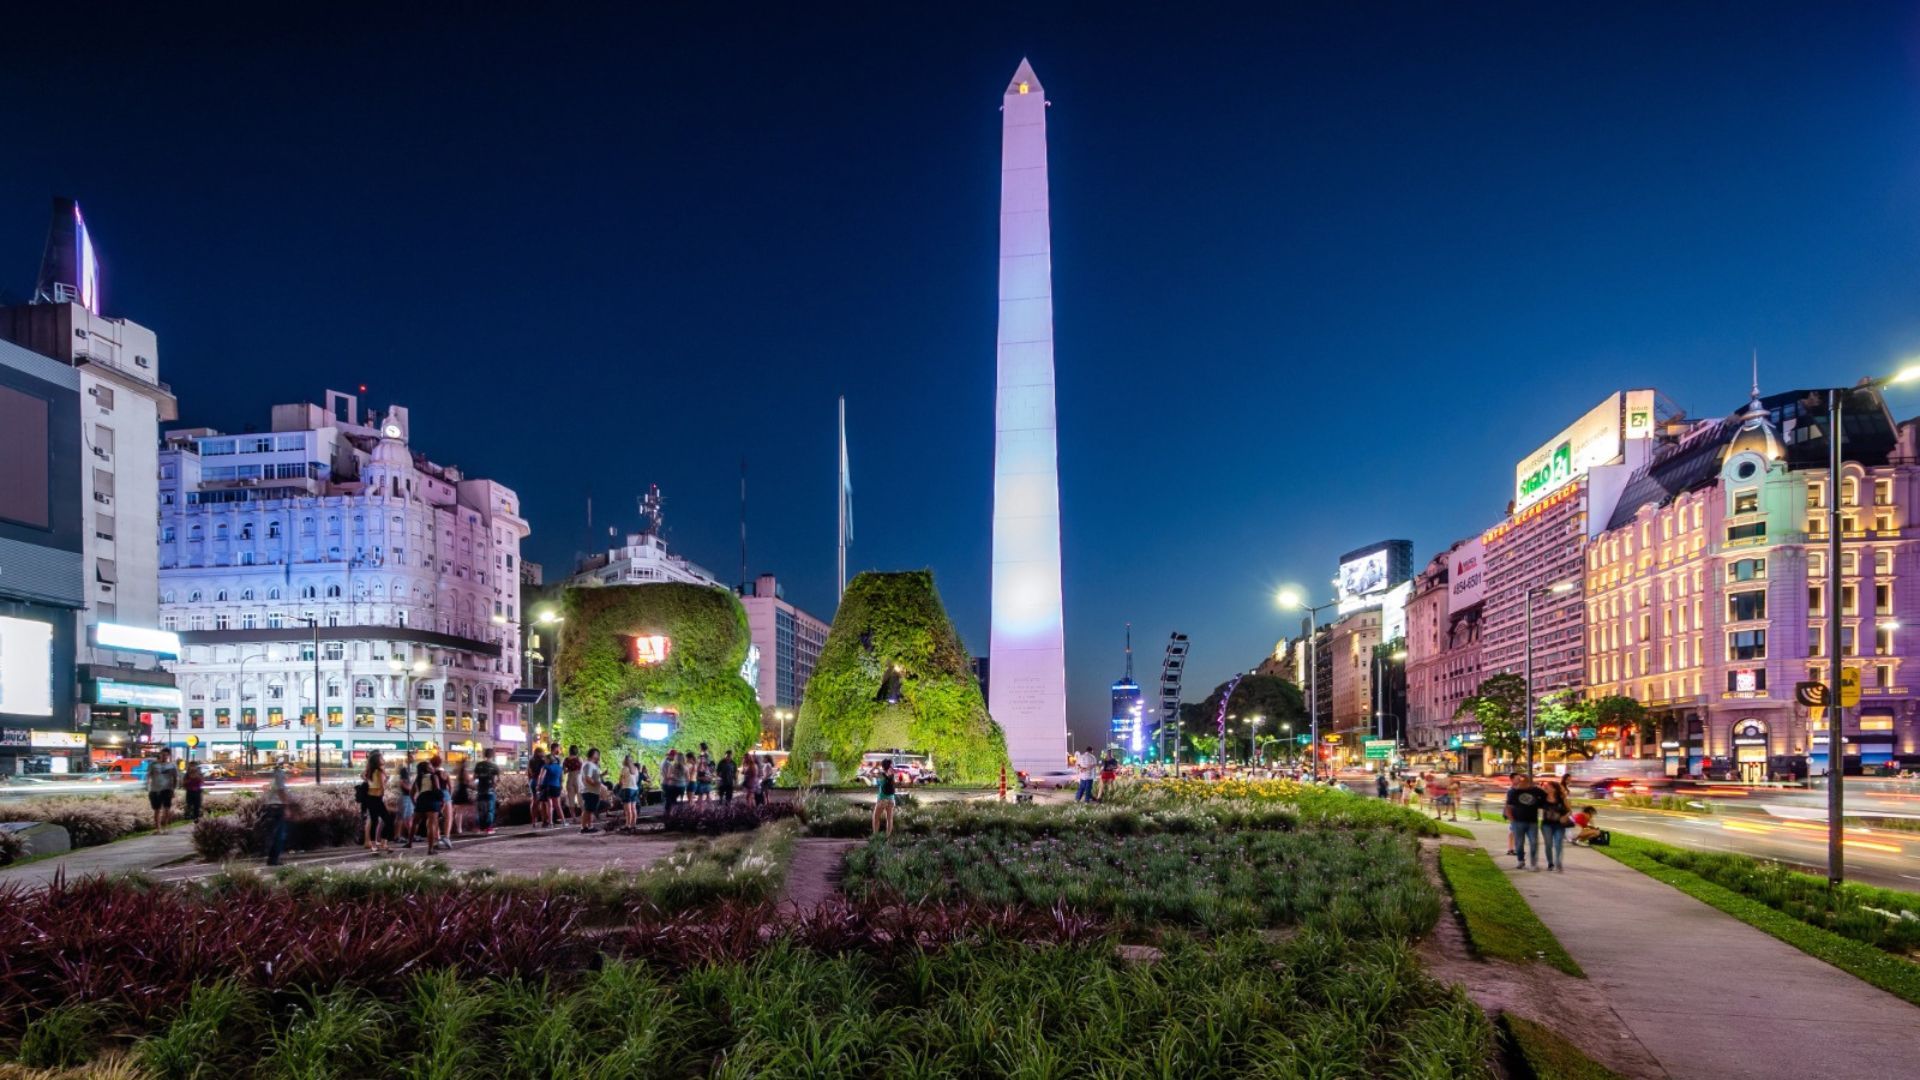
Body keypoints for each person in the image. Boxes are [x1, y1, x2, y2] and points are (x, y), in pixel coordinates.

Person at [1505, 772, 1545, 870]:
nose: (1520, 782)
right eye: (1518, 780)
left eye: (1522, 780)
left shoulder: (1535, 790)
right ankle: (1520, 860)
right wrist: (1512, 820)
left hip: (1532, 822)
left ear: (1528, 781)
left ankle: (1533, 863)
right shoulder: (1513, 792)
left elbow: (1546, 797)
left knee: (1534, 843)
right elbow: (1508, 807)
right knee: (1519, 843)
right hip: (1518, 822)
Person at [362, 751, 393, 853]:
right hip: (378, 798)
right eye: (381, 758)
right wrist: (384, 798)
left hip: (370, 798)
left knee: (375, 821)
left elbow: (364, 777)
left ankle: (374, 845)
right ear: (377, 761)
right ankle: (384, 843)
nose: (383, 759)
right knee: (388, 821)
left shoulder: (370, 771)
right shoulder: (379, 771)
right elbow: (381, 787)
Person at [261, 756, 290, 867]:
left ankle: (271, 858)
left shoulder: (272, 777)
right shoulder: (280, 775)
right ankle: (274, 859)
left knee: (273, 833)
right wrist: (287, 807)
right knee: (280, 834)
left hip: (270, 806)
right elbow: (281, 791)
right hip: (278, 807)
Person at [1539, 778, 1572, 871]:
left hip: (1559, 825)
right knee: (1548, 844)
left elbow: (1570, 811)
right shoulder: (1543, 798)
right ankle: (1550, 863)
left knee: (1558, 844)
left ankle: (1558, 863)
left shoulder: (1561, 799)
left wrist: (1565, 816)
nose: (1546, 787)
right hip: (1546, 825)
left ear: (1554, 789)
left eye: (1548, 786)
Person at [415, 759, 445, 854]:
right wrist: (441, 799)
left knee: (416, 822)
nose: (432, 767)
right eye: (430, 766)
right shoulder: (433, 776)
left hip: (421, 799)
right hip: (431, 800)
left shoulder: (419, 778)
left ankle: (410, 841)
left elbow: (415, 791)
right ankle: (430, 849)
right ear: (427, 768)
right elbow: (437, 789)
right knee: (431, 825)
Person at [147, 748, 180, 832]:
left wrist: (173, 789)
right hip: (155, 790)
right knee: (157, 810)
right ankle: (158, 829)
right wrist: (148, 787)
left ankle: (165, 827)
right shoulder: (153, 765)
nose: (164, 756)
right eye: (162, 754)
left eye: (166, 755)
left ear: (169, 756)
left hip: (167, 789)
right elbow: (148, 776)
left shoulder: (172, 766)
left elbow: (175, 778)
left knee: (167, 809)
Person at [472, 751, 500, 835]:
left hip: (480, 790)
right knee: (490, 810)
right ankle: (488, 828)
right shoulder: (494, 766)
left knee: (480, 810)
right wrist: (494, 784)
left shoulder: (479, 765)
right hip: (490, 790)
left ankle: (479, 828)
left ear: (484, 755)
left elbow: (474, 777)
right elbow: (497, 779)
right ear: (492, 755)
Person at [394, 757, 417, 848]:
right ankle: (402, 836)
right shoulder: (404, 774)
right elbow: (404, 785)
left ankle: (401, 835)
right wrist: (413, 790)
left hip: (405, 797)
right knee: (405, 818)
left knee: (403, 817)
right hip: (406, 797)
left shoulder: (407, 772)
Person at [872, 757, 898, 837]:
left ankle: (876, 836)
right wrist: (890, 767)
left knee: (876, 818)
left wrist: (875, 767)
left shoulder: (881, 775)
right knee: (889, 819)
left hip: (882, 799)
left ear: (882, 766)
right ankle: (888, 837)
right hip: (891, 800)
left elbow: (870, 773)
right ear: (889, 766)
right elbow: (894, 772)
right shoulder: (892, 775)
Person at [525, 748, 549, 829]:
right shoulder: (543, 761)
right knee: (543, 802)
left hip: (532, 781)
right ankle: (544, 820)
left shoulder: (531, 761)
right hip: (541, 782)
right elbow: (544, 772)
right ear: (539, 752)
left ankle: (534, 821)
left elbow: (528, 773)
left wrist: (530, 782)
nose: (543, 753)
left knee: (534, 801)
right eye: (542, 752)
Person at [541, 750, 565, 829]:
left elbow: (542, 776)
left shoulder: (546, 767)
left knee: (549, 805)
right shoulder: (559, 768)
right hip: (557, 786)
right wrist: (561, 786)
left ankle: (550, 822)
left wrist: (540, 784)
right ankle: (564, 821)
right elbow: (561, 778)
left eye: (545, 759)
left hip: (549, 786)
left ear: (548, 760)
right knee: (558, 805)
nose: (545, 760)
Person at [617, 754, 641, 831]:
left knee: (628, 810)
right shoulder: (636, 769)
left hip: (627, 789)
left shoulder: (624, 769)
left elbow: (620, 781)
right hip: (635, 790)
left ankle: (628, 825)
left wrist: (621, 785)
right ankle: (633, 824)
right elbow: (637, 780)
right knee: (633, 808)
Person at [449, 760, 472, 839]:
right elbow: (468, 781)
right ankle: (459, 829)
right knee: (460, 811)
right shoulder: (464, 771)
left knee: (458, 811)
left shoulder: (458, 771)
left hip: (458, 792)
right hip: (462, 792)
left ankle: (458, 828)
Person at [661, 749, 686, 818]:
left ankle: (669, 815)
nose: (675, 758)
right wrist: (678, 778)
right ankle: (670, 815)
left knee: (670, 801)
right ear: (672, 756)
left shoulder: (664, 762)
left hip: (667, 783)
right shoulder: (669, 764)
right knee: (671, 801)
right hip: (667, 783)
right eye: (674, 756)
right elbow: (667, 776)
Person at [562, 745, 584, 823]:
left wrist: (570, 769)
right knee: (580, 797)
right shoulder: (579, 759)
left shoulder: (566, 760)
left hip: (570, 778)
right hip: (578, 777)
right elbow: (583, 769)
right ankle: (583, 815)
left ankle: (574, 818)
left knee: (571, 798)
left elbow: (564, 771)